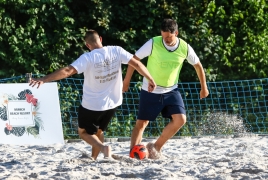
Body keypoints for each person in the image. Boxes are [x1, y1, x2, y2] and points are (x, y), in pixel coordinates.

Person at [29, 29, 156, 160]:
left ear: (88, 46)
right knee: (98, 132)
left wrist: (43, 79)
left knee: (83, 132)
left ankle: (103, 148)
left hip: (92, 105)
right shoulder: (116, 50)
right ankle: (94, 158)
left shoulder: (88, 57)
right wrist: (150, 78)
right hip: (113, 103)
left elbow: (68, 71)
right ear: (100, 39)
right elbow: (136, 63)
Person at [123, 19, 209, 159]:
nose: (166, 40)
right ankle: (134, 154)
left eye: (169, 37)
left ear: (176, 32)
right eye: (164, 36)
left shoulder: (184, 47)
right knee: (142, 123)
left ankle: (156, 146)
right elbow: (134, 60)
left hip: (171, 90)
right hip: (150, 90)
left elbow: (198, 66)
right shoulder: (153, 43)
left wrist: (203, 87)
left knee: (180, 119)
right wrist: (126, 81)